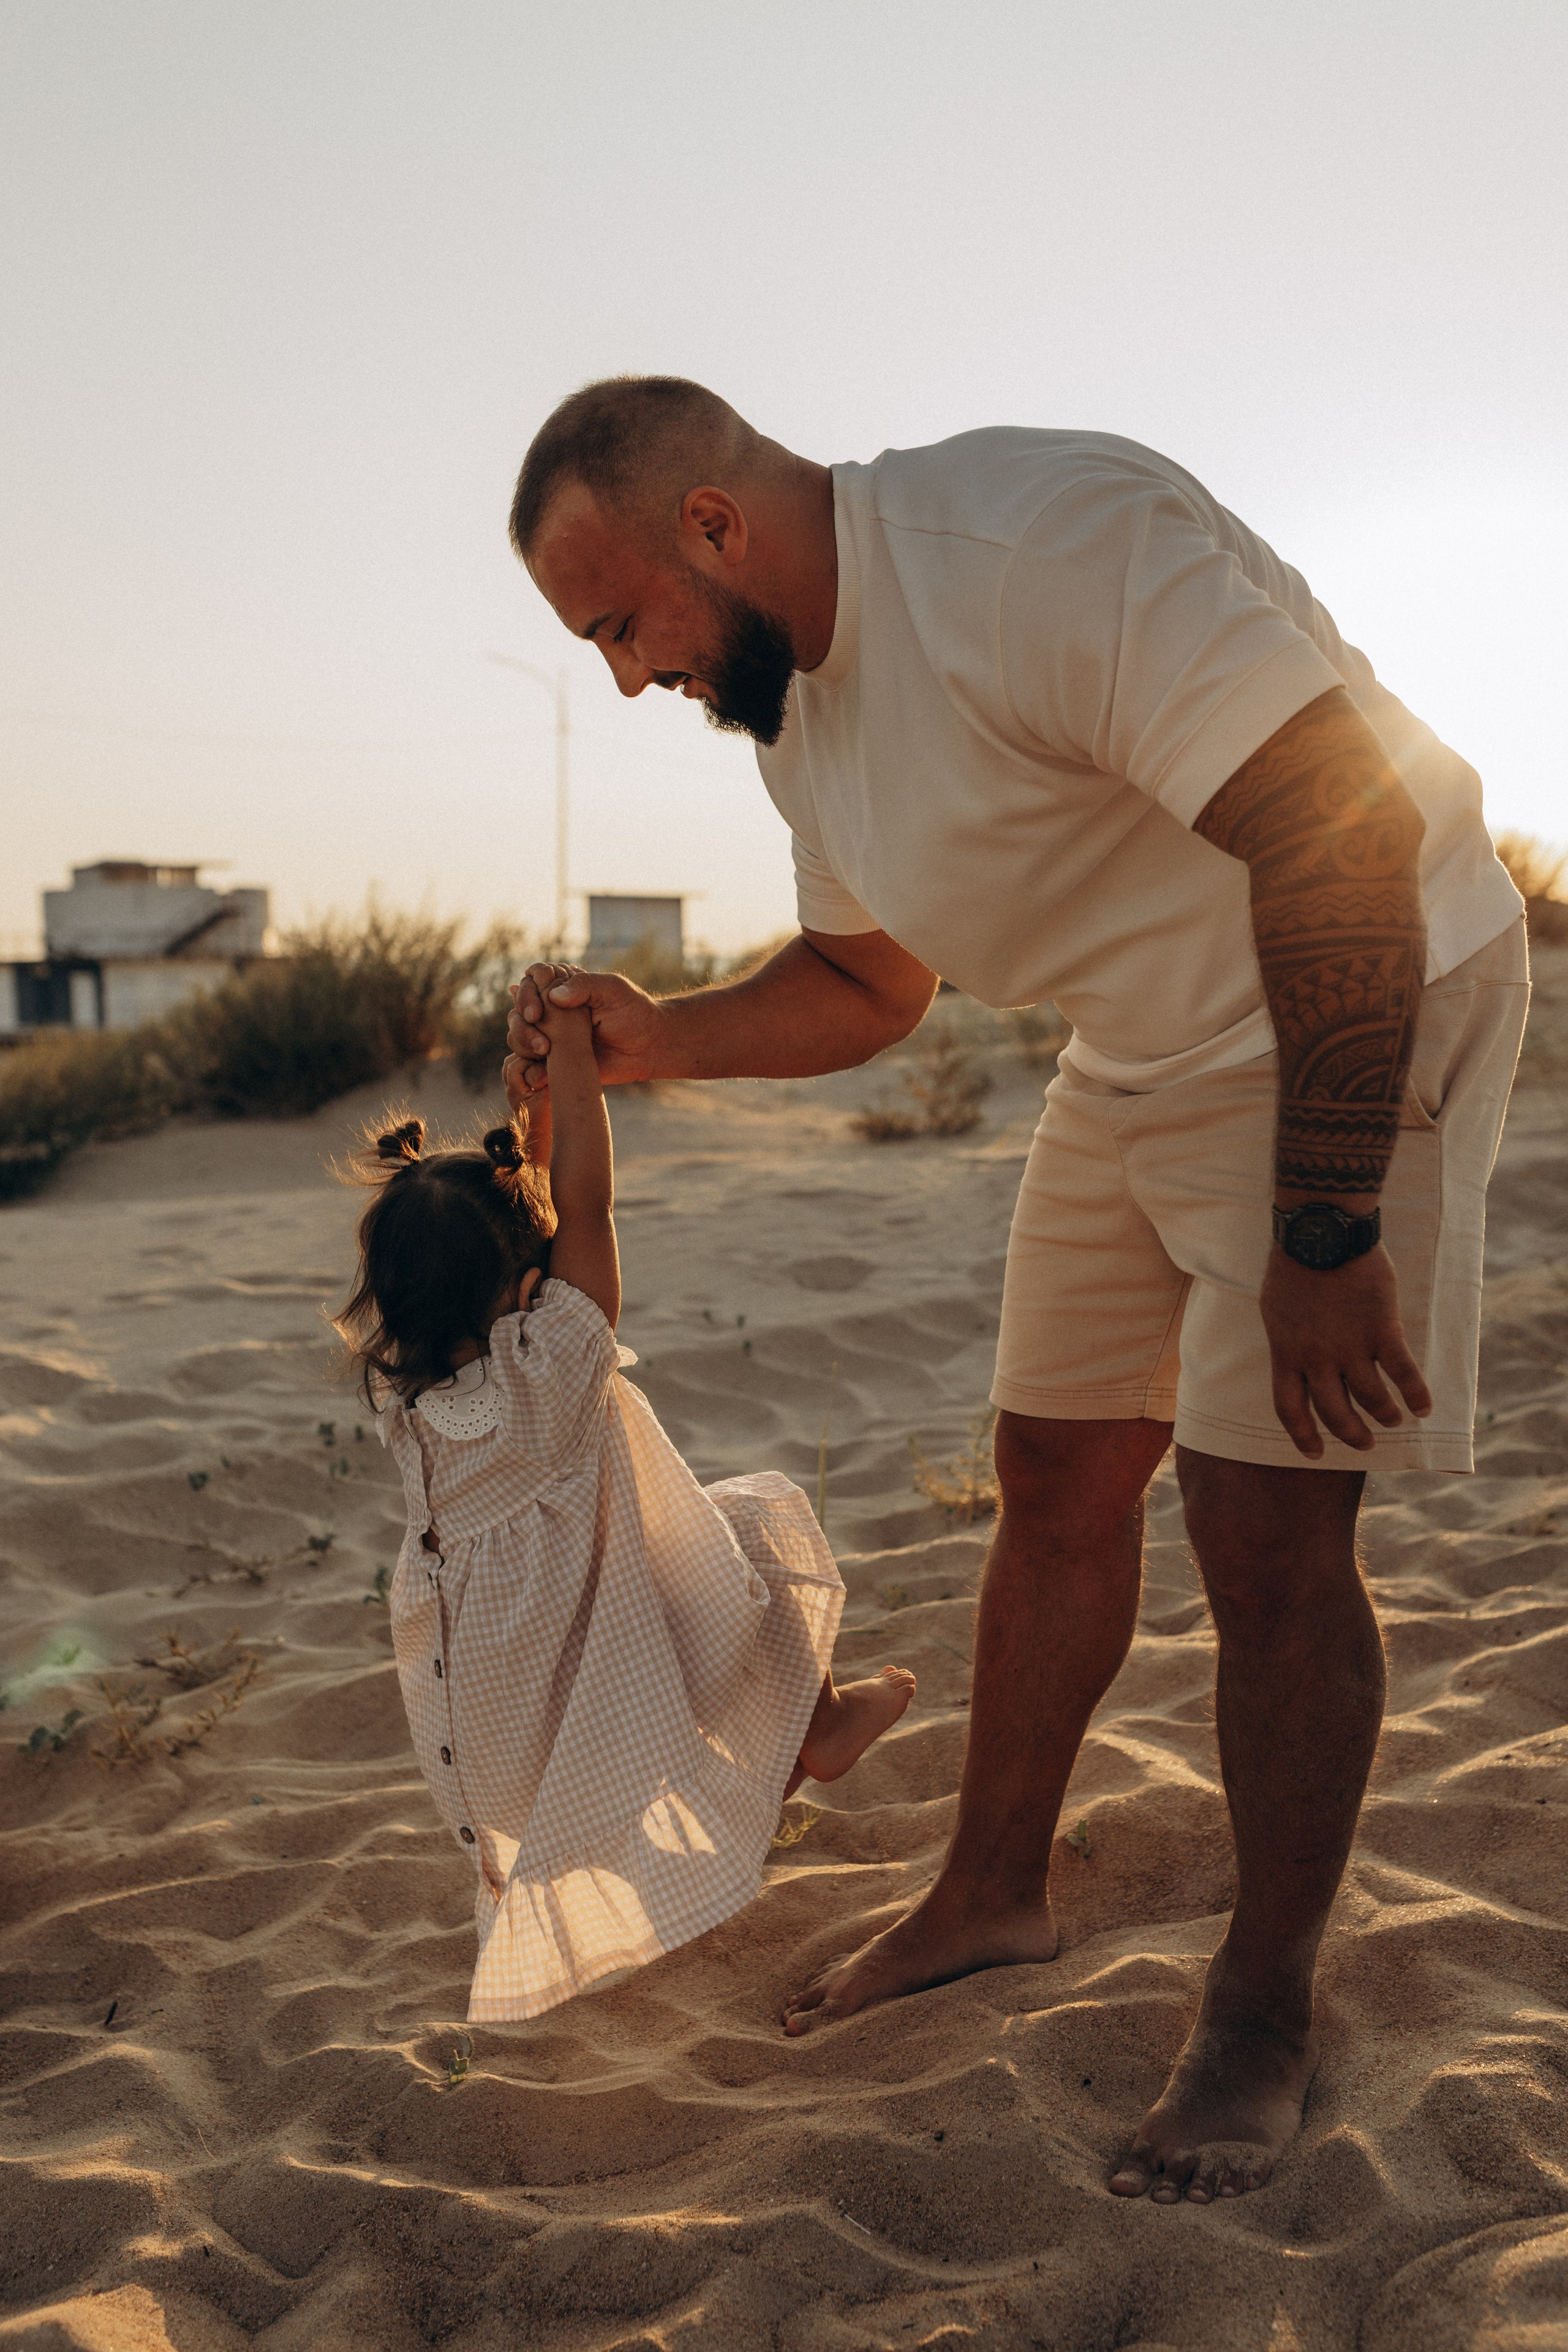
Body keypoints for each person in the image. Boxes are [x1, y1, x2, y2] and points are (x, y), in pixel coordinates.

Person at [502, 377, 1530, 2200]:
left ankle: (1266, 2006)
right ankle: (996, 1888)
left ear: (714, 528)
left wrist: (1324, 1229)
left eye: (618, 623)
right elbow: (865, 978)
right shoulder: (796, 719)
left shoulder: (1025, 549)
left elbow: (1344, 835)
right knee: (1054, 1468)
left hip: (1357, 997)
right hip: (1138, 1042)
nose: (625, 676)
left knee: (1263, 1516)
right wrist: (657, 1041)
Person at [333, 978, 915, 2024]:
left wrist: (539, 1115)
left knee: (682, 1587)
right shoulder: (552, 1368)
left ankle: (786, 1747)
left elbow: (546, 1222)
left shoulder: (401, 1398)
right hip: (579, 1674)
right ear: (527, 1296)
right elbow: (587, 1206)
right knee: (743, 1536)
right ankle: (817, 1728)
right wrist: (578, 1061)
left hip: (486, 1717)